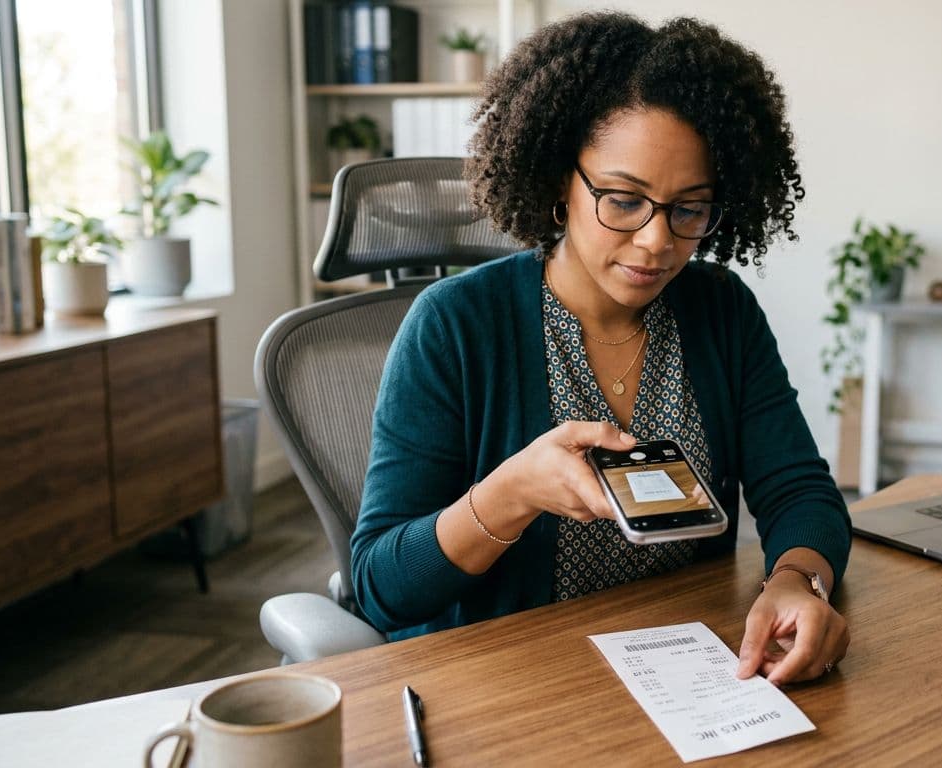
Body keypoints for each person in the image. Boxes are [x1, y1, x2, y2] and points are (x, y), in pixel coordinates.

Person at [351, 11, 852, 685]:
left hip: (693, 675)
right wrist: (511, 493)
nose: (656, 241)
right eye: (622, 200)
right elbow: (382, 586)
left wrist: (798, 581)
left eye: (689, 209)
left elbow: (799, 491)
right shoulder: (455, 324)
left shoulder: (719, 310)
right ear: (561, 179)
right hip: (512, 687)